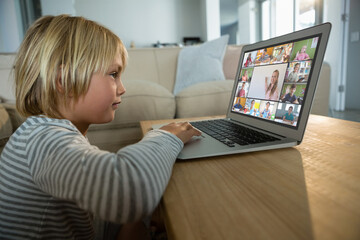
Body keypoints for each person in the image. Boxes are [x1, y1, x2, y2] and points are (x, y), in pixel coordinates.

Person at [0, 15, 201, 240]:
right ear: (64, 80)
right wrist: (165, 136)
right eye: (113, 74)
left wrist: (140, 221)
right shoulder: (43, 139)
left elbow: (90, 220)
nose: (122, 88)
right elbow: (129, 192)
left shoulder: (51, 133)